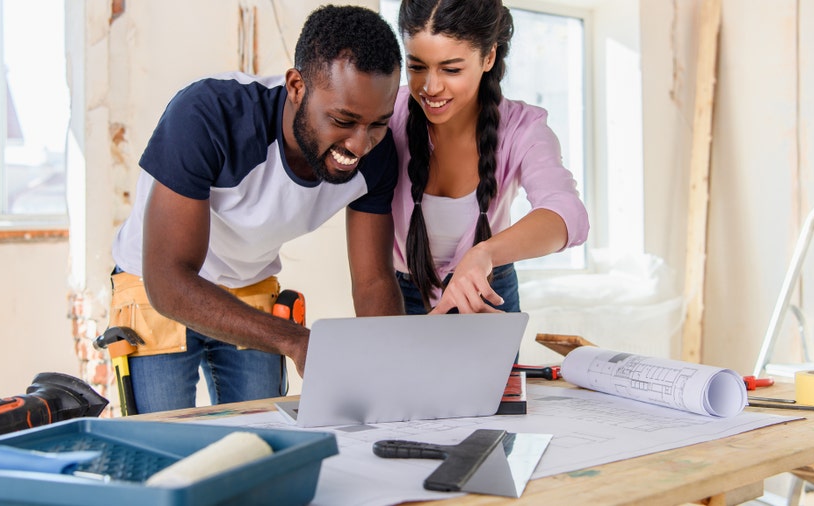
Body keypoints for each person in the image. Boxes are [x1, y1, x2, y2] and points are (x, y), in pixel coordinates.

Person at [107, 5, 404, 414]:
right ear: (296, 87)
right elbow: (169, 279)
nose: (358, 145)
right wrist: (295, 340)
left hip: (249, 283)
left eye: (377, 123)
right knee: (164, 445)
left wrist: (396, 377)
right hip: (155, 284)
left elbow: (373, 281)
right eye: (342, 120)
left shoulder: (378, 155)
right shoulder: (207, 116)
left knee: (260, 442)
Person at [391, 0, 590, 315]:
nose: (430, 87)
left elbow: (567, 215)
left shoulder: (524, 128)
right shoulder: (387, 115)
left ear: (489, 57)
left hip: (488, 292)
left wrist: (485, 254)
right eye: (416, 67)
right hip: (400, 292)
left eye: (451, 69)